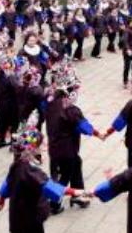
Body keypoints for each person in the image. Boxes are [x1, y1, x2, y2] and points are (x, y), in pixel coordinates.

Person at [0, 112, 87, 233]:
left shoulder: (16, 165)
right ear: (31, 150)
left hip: (17, 217)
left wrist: (0, 200)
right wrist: (76, 191)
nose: (42, 150)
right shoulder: (29, 171)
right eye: (38, 147)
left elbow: (7, 184)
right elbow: (49, 187)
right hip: (30, 218)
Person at [44, 61, 96, 213]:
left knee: (74, 165)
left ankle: (77, 195)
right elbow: (86, 128)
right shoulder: (71, 109)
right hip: (67, 149)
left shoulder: (50, 104)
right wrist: (100, 134)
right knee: (65, 174)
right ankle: (54, 203)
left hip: (54, 147)